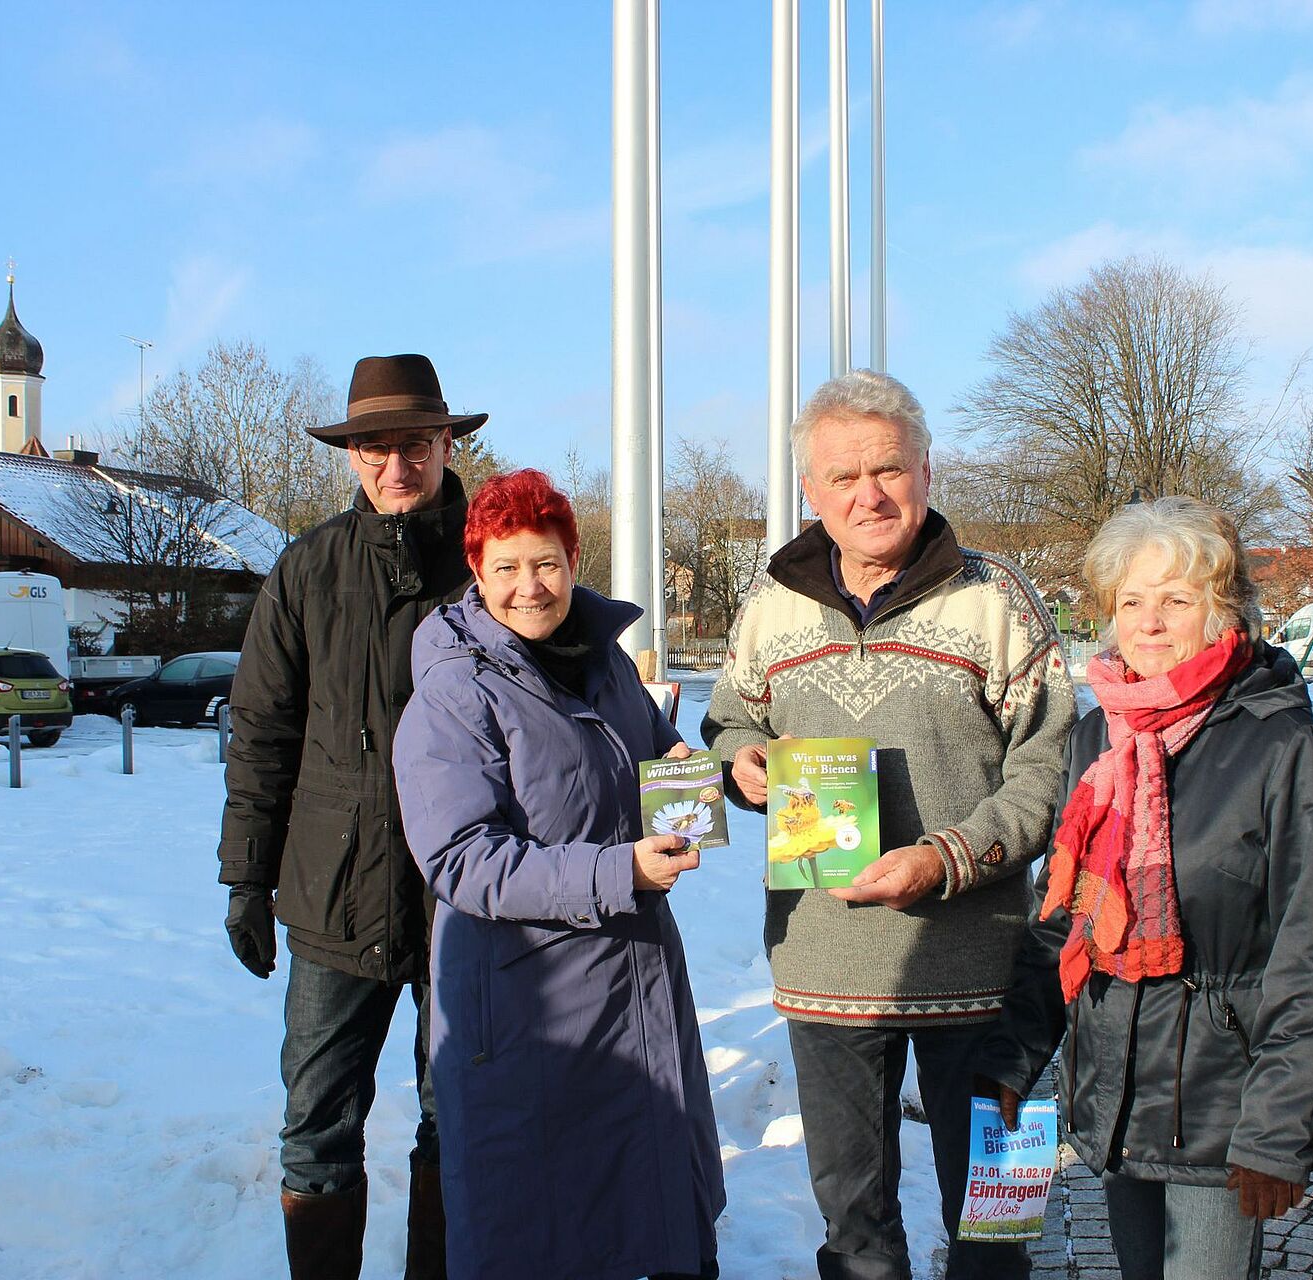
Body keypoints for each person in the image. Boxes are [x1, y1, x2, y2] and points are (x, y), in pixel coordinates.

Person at [703, 369, 1077, 1280]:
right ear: (810, 492)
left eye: (889, 469)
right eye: (843, 477)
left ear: (926, 470)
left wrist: (945, 860)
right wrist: (740, 761)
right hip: (825, 963)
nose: (869, 495)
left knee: (996, 1226)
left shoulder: (1000, 598)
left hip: (982, 965)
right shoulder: (771, 601)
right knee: (855, 1232)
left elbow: (1048, 766)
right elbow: (729, 718)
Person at [975, 496, 1313, 1280]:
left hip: (1224, 1107)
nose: (1149, 622)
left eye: (1176, 600)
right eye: (1132, 601)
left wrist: (1279, 1127)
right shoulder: (1100, 737)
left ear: (1221, 613)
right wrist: (1014, 1054)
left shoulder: (1284, 746)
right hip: (1116, 1096)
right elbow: (1067, 914)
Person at [392, 469, 724, 1280]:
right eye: (504, 568)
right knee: (546, 1228)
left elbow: (645, 756)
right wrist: (619, 872)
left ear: (574, 558)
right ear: (477, 572)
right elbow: (462, 860)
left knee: (651, 1200)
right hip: (528, 1002)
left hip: (636, 980)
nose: (528, 587)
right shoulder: (454, 692)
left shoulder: (606, 665)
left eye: (544, 563)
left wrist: (682, 771)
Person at [218, 354, 484, 1280]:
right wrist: (246, 879)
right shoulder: (307, 570)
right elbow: (260, 733)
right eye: (375, 447)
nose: (396, 466)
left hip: (467, 901)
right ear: (352, 456)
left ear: (448, 444)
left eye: (414, 444)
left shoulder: (495, 563)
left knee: (458, 1122)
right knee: (318, 1129)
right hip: (334, 898)